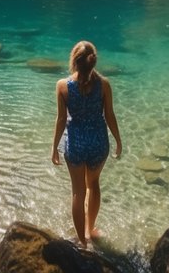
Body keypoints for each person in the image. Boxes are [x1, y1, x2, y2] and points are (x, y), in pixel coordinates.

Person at [51, 41, 121, 248]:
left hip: (76, 144)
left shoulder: (62, 86)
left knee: (78, 192)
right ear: (93, 62)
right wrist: (118, 141)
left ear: (73, 61)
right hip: (99, 143)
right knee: (94, 185)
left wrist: (54, 147)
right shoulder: (104, 84)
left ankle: (82, 242)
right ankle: (91, 230)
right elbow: (109, 115)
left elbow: (61, 120)